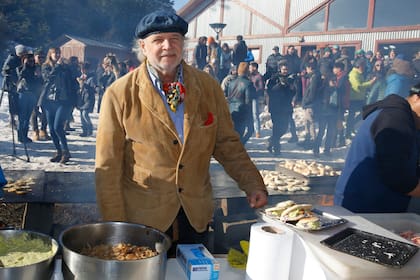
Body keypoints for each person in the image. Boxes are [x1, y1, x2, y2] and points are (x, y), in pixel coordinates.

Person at [95, 11, 268, 254]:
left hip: (194, 216)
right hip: (144, 220)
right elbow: (108, 166)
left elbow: (227, 143)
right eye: (159, 40)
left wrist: (252, 184)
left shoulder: (207, 87)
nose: (168, 46)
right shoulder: (119, 94)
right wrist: (116, 226)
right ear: (143, 47)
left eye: (175, 39)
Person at [334, 84, 420, 213]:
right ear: (417, 97)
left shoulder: (405, 118)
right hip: (365, 208)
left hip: (377, 205)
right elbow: (398, 177)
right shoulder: (394, 120)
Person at [39, 47, 77, 164]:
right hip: (49, 101)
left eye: (59, 53)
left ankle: (66, 151)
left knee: (57, 127)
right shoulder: (46, 66)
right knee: (51, 129)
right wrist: (57, 67)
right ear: (50, 54)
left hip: (63, 101)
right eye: (55, 53)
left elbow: (73, 78)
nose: (57, 55)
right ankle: (58, 151)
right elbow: (48, 79)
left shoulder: (65, 67)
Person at [265, 63, 296, 155]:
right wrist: (280, 85)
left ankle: (271, 141)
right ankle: (277, 149)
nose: (285, 71)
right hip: (276, 107)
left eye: (286, 69)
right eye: (283, 69)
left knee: (284, 128)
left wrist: (291, 86)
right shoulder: (274, 79)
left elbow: (293, 92)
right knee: (276, 128)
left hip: (286, 107)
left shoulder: (291, 79)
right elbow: (270, 91)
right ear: (280, 70)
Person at [345, 58, 376, 139]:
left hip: (360, 98)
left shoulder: (359, 73)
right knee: (351, 116)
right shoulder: (353, 74)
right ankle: (348, 132)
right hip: (354, 99)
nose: (365, 68)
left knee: (364, 113)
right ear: (359, 66)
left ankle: (351, 127)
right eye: (363, 66)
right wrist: (370, 83)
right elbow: (358, 86)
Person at [226, 62, 255, 144]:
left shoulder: (231, 82)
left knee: (234, 132)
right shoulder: (248, 84)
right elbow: (248, 100)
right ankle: (240, 145)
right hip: (242, 110)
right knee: (248, 130)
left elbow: (229, 96)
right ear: (247, 71)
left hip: (231, 109)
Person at [249, 62, 264, 138]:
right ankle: (250, 129)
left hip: (255, 97)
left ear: (254, 68)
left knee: (255, 114)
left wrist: (254, 91)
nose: (249, 69)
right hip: (248, 97)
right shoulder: (249, 76)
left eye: (251, 67)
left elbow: (261, 88)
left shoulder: (259, 77)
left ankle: (257, 131)